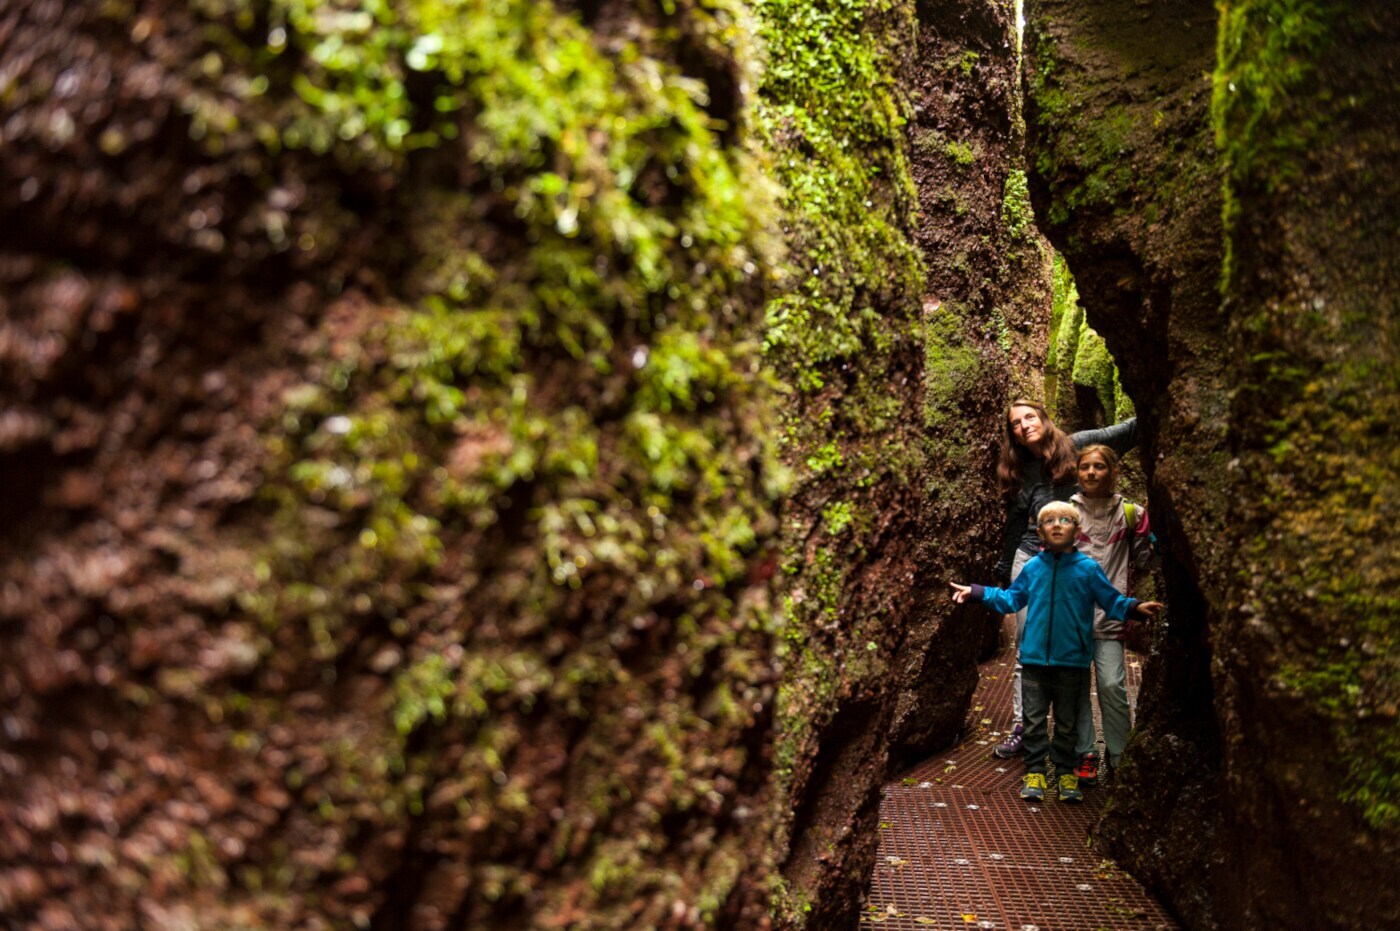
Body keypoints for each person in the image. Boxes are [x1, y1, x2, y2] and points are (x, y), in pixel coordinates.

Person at [950, 502, 1164, 802]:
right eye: (1050, 520)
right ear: (1040, 532)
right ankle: (1035, 770)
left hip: (1072, 661)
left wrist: (1135, 607)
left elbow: (1111, 600)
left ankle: (1065, 772)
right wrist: (976, 592)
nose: (1058, 524)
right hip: (1035, 660)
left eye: (1066, 520)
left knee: (1067, 722)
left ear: (1077, 531)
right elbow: (1011, 599)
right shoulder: (1033, 568)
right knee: (1035, 722)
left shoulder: (1088, 570)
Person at [992, 399, 1140, 759]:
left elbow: (1130, 432)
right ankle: (1024, 727)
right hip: (1032, 559)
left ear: (1044, 419)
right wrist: (1003, 572)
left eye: (1030, 417)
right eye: (1016, 423)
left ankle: (1081, 741)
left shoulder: (1077, 445)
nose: (1025, 425)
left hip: (1078, 558)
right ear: (1011, 434)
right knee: (1029, 642)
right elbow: (1014, 526)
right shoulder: (1019, 470)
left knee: (1076, 652)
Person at [1070, 445, 1159, 786]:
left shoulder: (1130, 513)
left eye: (1099, 467)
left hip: (1110, 614)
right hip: (1072, 616)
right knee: (1075, 687)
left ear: (1112, 471)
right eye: (1085, 467)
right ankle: (1086, 753)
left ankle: (1119, 753)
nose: (1091, 473)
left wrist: (1157, 537)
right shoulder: (1066, 512)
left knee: (1112, 684)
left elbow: (1145, 560)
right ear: (1077, 472)